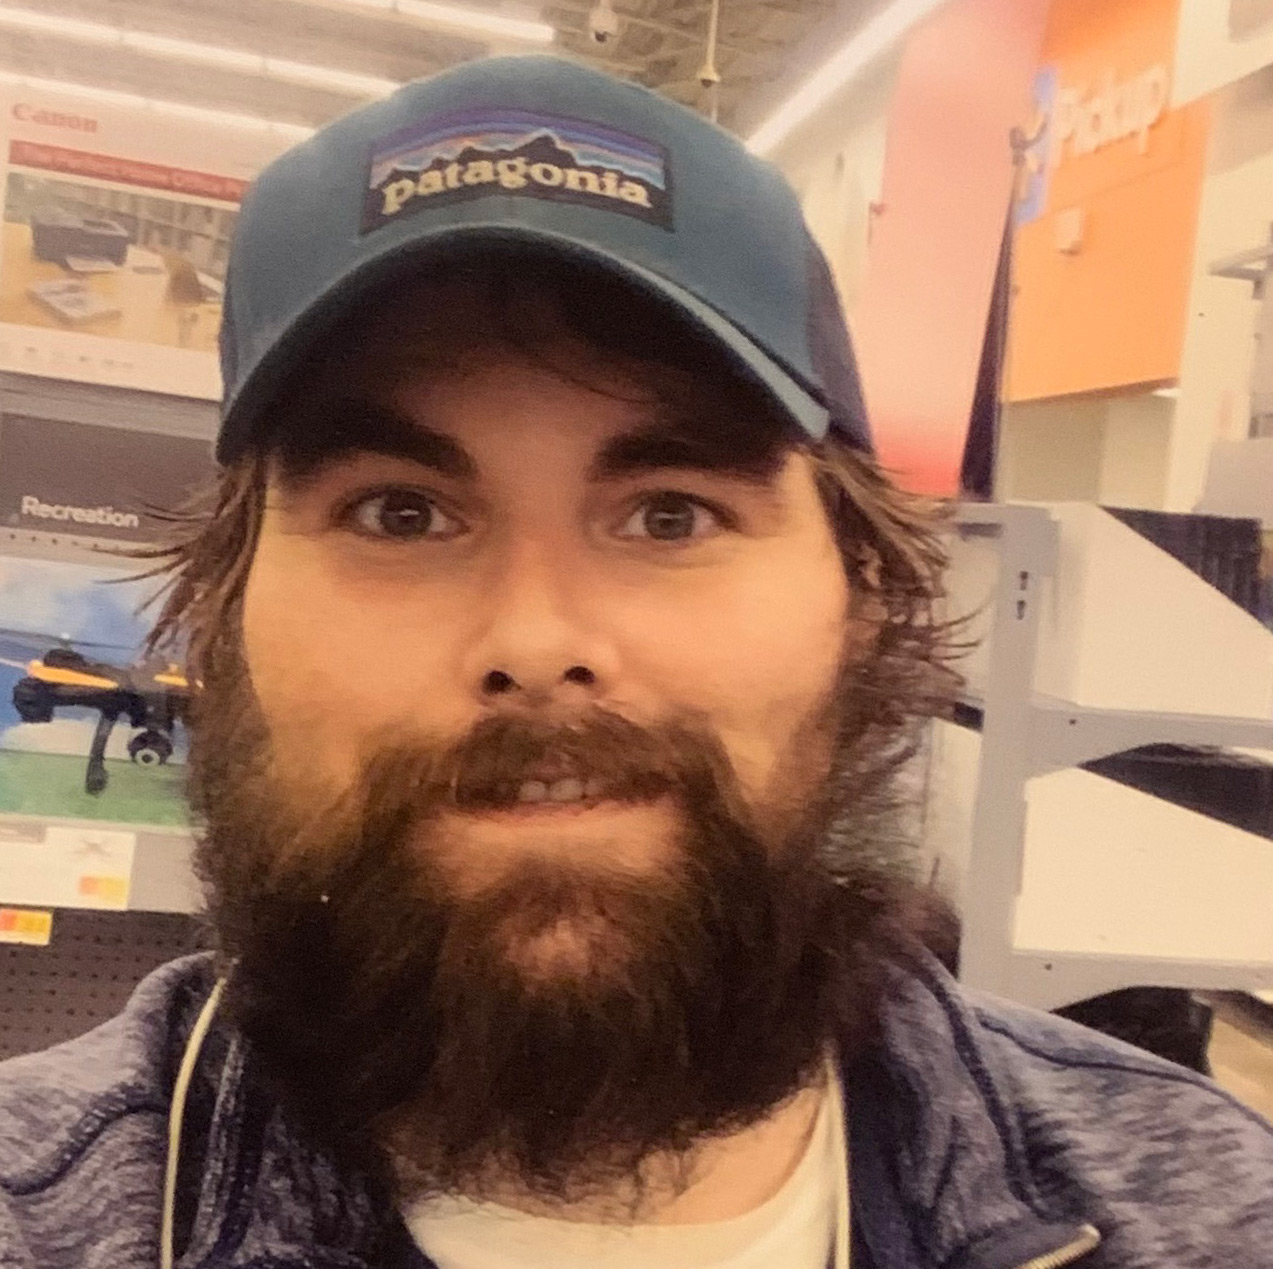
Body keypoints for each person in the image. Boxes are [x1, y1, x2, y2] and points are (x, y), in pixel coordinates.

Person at [0, 55, 1269, 1269]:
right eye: (400, 513)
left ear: (866, 600)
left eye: (671, 514)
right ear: (224, 625)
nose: (539, 643)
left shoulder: (1210, 1209)